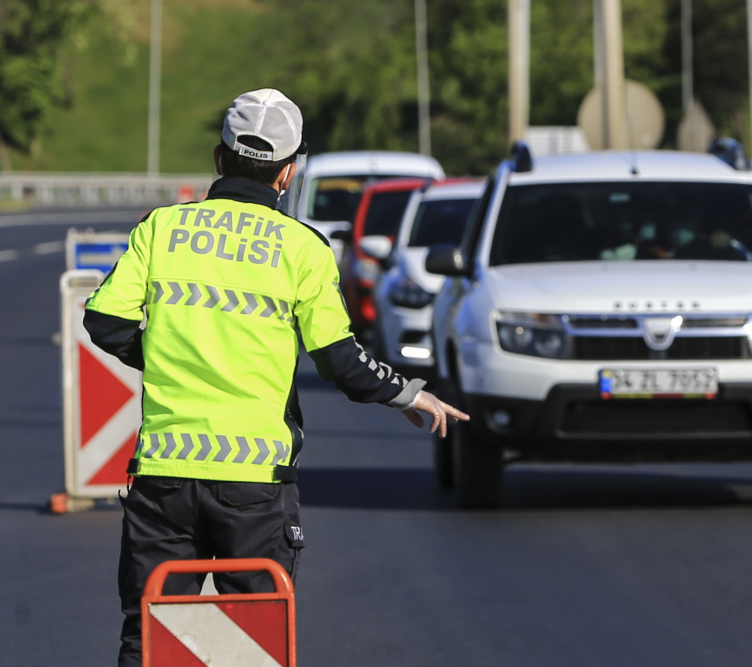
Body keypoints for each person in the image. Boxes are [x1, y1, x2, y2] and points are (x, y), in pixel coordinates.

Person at [82, 88, 468, 667]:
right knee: (255, 641)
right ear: (289, 173)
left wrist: (165, 355)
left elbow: (104, 320)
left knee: (149, 639)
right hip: (254, 486)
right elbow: (340, 360)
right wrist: (406, 393)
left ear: (219, 160)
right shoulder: (303, 250)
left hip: (163, 480)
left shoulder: (162, 230)